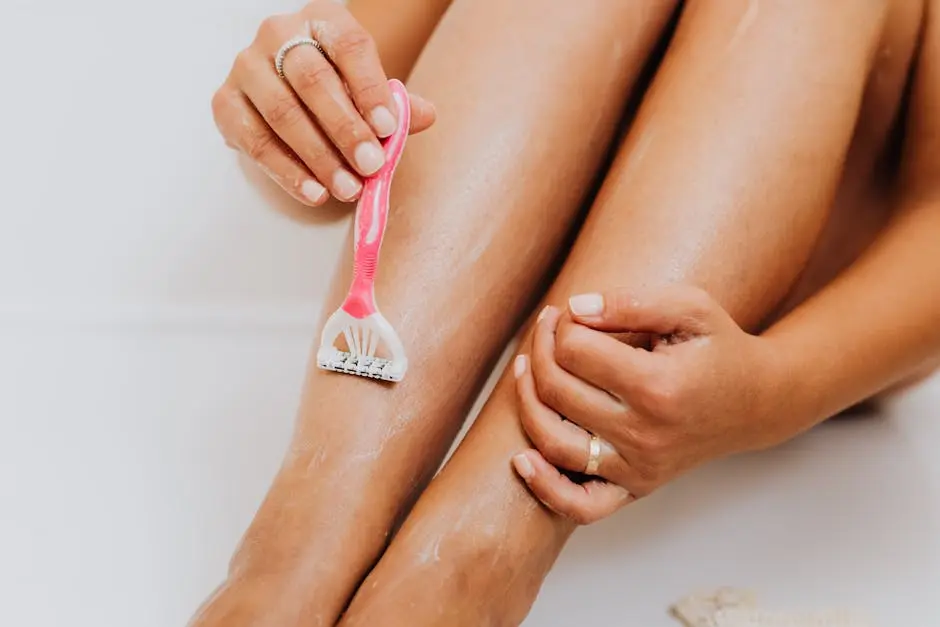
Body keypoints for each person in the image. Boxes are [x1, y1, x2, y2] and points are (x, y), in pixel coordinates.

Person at [194, 0, 940, 624]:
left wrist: (777, 389)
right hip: (517, 228)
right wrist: (290, 105)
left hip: (819, 294)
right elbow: (354, 131)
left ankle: (473, 553)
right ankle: (308, 534)